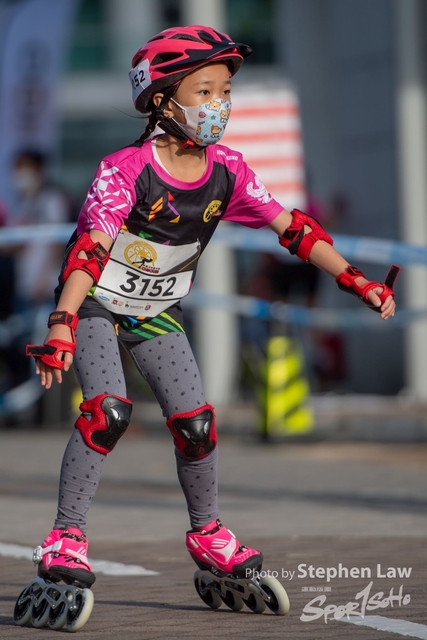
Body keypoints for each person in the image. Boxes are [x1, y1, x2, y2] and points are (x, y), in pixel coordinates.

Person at [22, 25, 398, 621]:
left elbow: (295, 230)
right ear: (162, 100)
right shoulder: (125, 169)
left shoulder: (228, 169)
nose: (218, 105)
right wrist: (63, 321)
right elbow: (90, 251)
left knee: (196, 425)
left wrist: (358, 281)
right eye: (204, 91)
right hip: (94, 300)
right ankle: (65, 536)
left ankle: (209, 534)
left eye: (225, 91)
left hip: (153, 310)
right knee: (108, 412)